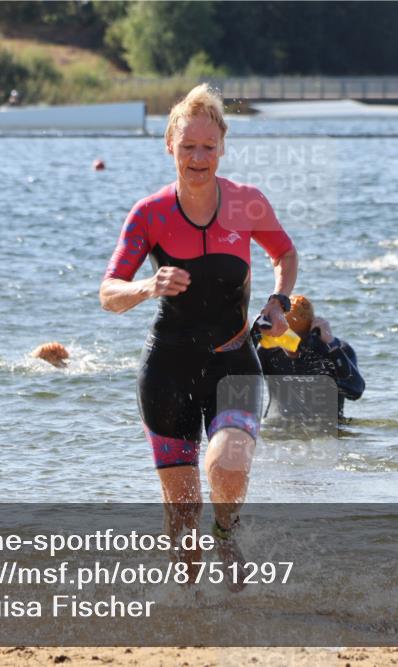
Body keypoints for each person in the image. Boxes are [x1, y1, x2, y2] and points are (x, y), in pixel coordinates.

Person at [99, 84, 298, 578]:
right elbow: (109, 293)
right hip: (167, 370)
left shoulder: (248, 203)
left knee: (228, 465)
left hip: (234, 362)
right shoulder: (150, 213)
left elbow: (285, 254)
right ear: (170, 145)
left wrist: (279, 301)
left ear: (223, 148)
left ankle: (228, 537)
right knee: (183, 521)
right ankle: (188, 616)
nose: (198, 157)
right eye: (188, 146)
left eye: (208, 147)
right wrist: (148, 286)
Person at [251, 295, 364, 426]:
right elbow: (238, 378)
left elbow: (355, 391)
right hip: (279, 431)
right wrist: (253, 335)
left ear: (311, 333)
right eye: (287, 339)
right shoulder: (267, 352)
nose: (293, 347)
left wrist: (331, 345)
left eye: (300, 339)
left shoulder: (334, 352)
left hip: (327, 432)